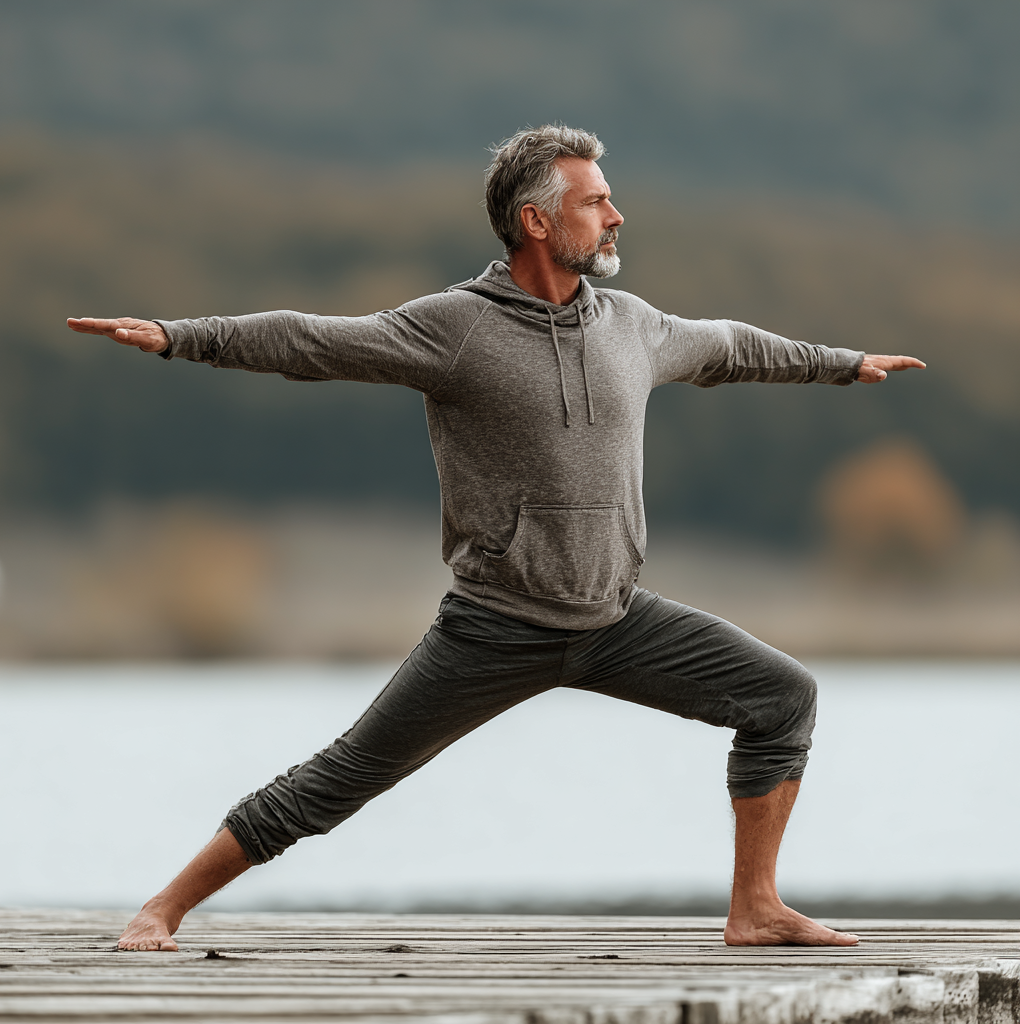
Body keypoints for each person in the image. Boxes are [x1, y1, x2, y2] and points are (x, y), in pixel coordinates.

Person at [68, 125, 924, 951]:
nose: (616, 215)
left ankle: (757, 907)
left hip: (614, 620)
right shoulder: (456, 328)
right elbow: (314, 340)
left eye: (610, 198)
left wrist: (842, 361)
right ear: (537, 221)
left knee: (782, 698)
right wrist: (184, 337)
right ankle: (164, 907)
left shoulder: (632, 325)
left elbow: (730, 346)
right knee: (341, 779)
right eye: (596, 200)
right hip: (494, 627)